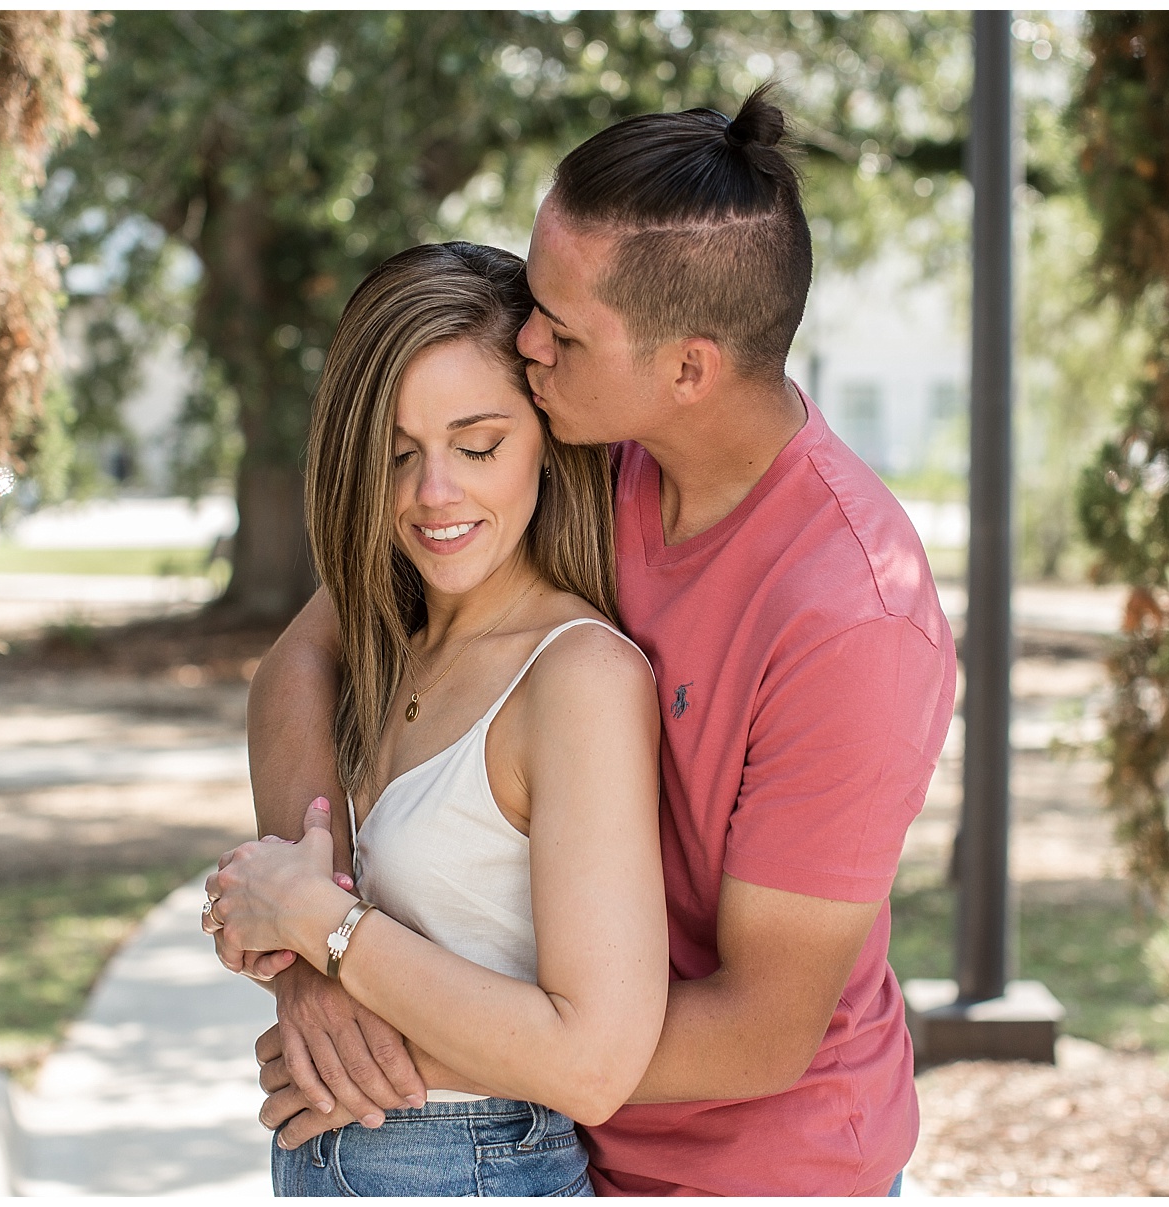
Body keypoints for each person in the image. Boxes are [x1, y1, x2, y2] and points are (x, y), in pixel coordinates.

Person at [228, 86, 957, 1196]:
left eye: (560, 329)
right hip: (562, 1144)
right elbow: (301, 658)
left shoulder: (852, 620)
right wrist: (317, 976)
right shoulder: (582, 452)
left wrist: (378, 1024)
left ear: (687, 369)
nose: (526, 341)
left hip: (758, 1172)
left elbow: (760, 1032)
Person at [202, 241, 667, 1197]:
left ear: (546, 434)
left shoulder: (577, 675)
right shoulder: (395, 632)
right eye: (398, 452)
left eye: (478, 445)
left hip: (477, 1164)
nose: (433, 493)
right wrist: (289, 947)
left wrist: (323, 926)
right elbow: (286, 670)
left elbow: (595, 1062)